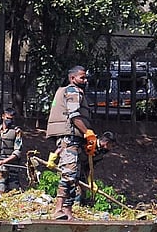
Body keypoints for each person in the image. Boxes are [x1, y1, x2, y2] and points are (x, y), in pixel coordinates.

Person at [44, 65, 99, 220]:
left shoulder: (76, 92)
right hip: (69, 138)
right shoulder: (72, 91)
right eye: (82, 77)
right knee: (68, 174)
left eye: (86, 77)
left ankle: (67, 212)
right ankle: (58, 209)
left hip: (74, 139)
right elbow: (74, 115)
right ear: (72, 78)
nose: (85, 80)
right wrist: (87, 132)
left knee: (73, 175)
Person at [75, 131, 117, 206]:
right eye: (112, 145)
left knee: (84, 186)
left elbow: (91, 165)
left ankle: (82, 204)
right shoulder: (89, 141)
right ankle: (74, 204)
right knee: (75, 184)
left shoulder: (103, 151)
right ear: (107, 143)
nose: (112, 148)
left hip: (84, 166)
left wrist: (90, 180)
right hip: (75, 163)